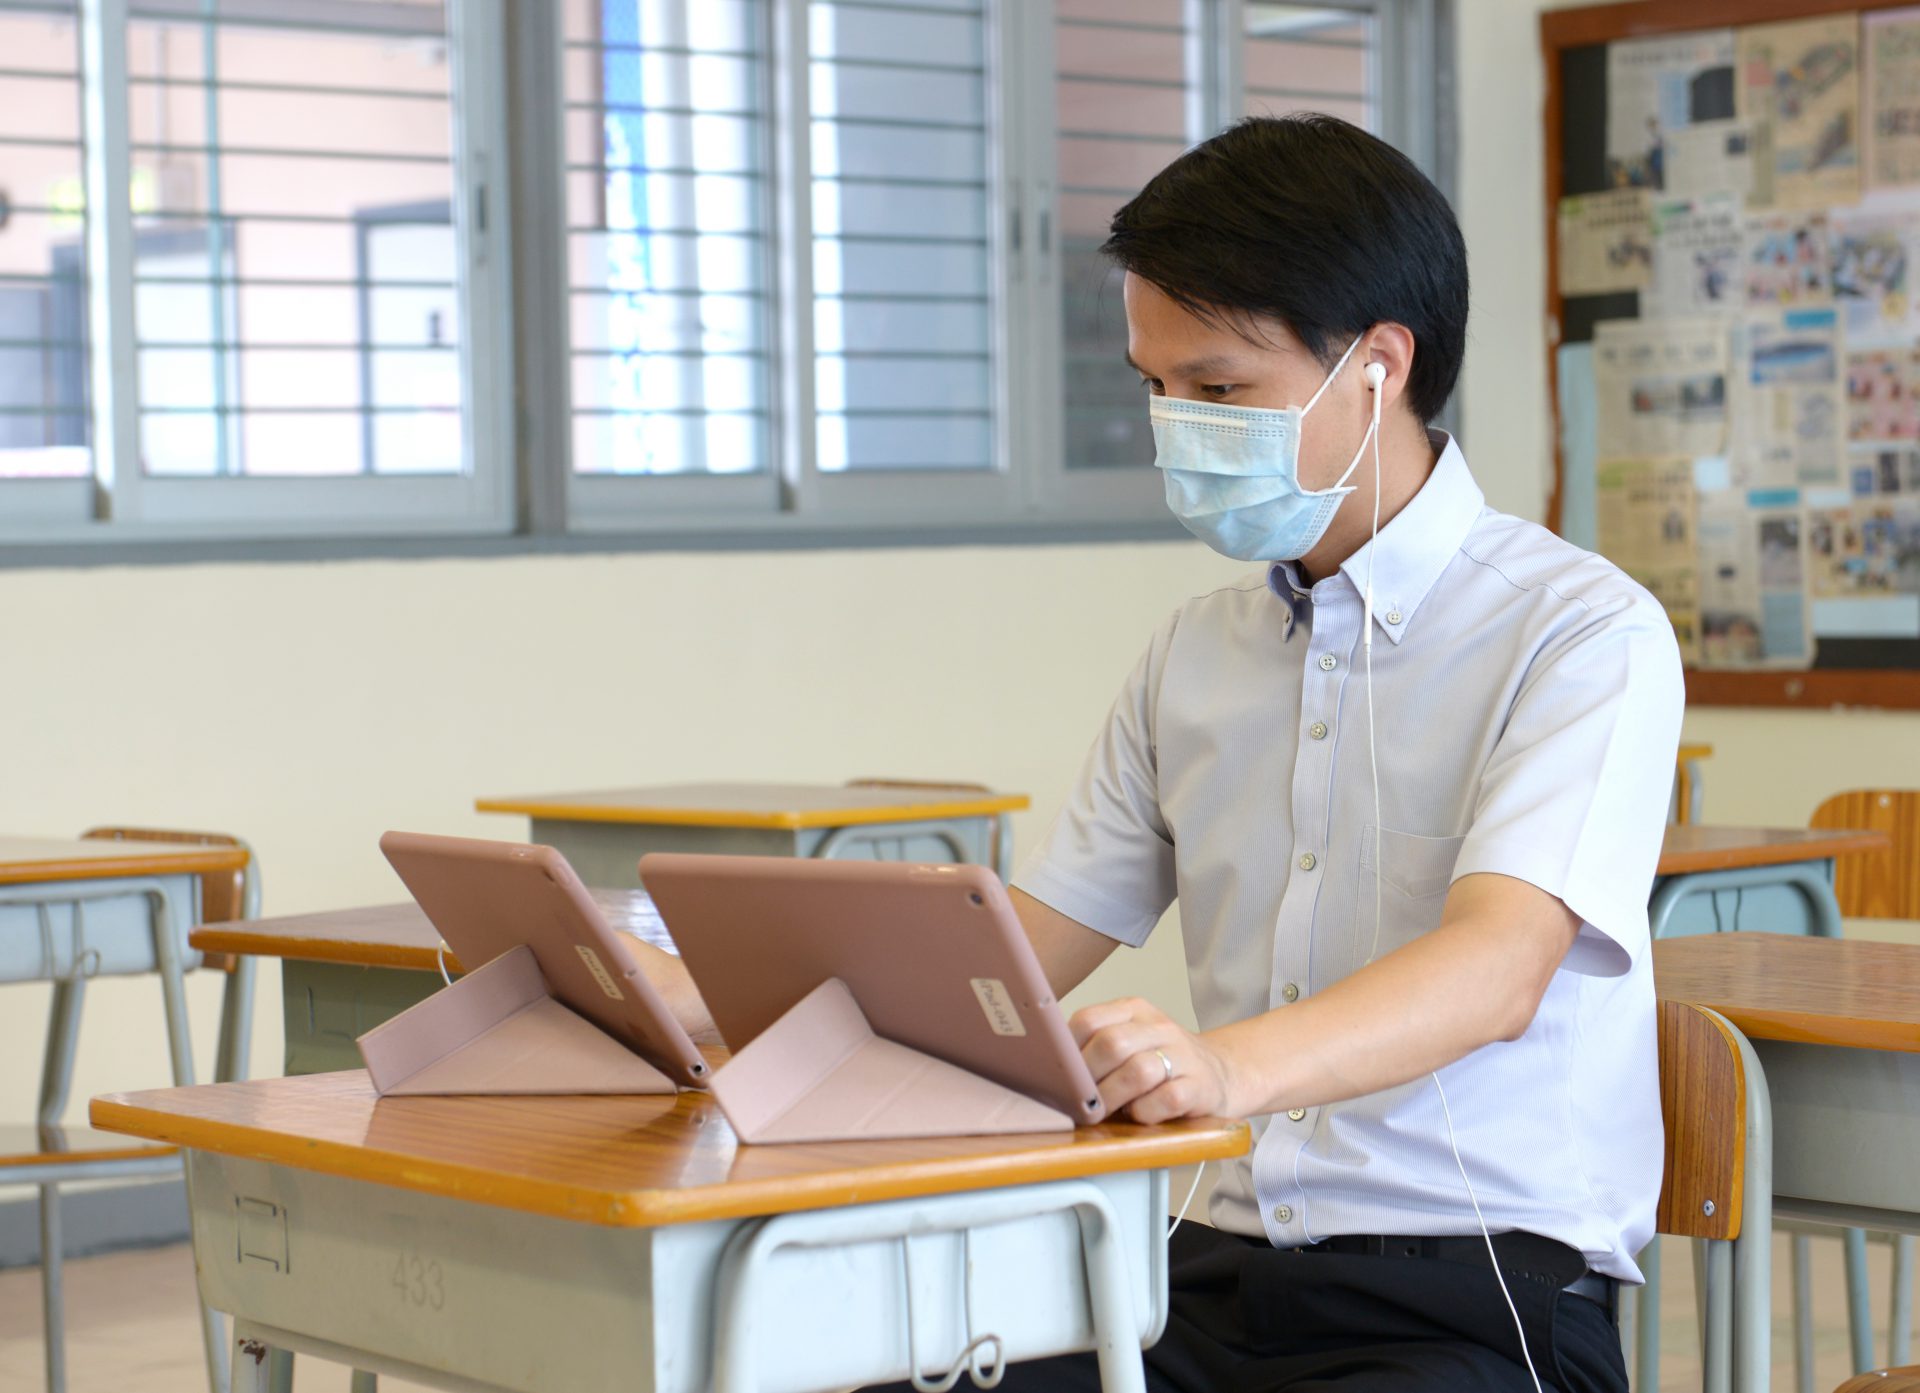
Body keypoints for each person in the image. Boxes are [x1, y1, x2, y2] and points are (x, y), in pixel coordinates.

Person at [641, 114, 1682, 1393]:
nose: (1177, 425)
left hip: (1471, 1295)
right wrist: (720, 996)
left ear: (1379, 365)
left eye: (1219, 390)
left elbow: (1498, 969)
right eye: (1156, 387)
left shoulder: (1580, 630)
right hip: (1197, 1266)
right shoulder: (1194, 652)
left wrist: (1223, 1065)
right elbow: (1016, 956)